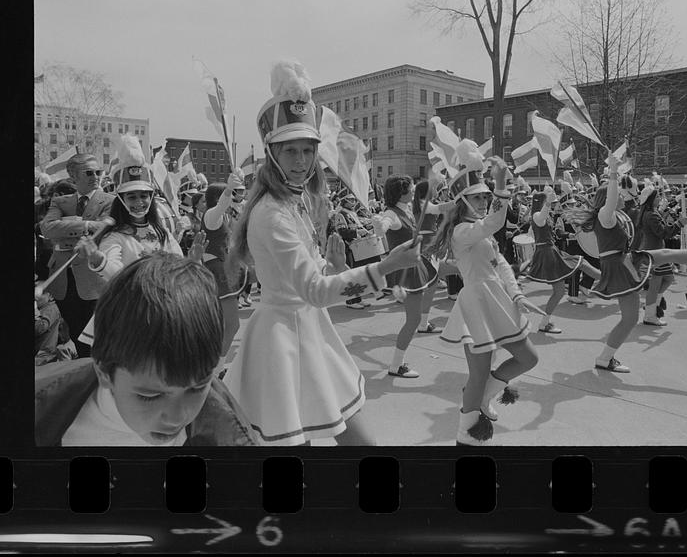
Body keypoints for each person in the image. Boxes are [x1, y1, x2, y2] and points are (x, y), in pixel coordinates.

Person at [223, 60, 421, 446]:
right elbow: (313, 291)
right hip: (283, 340)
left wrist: (332, 267)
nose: (300, 161)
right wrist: (386, 266)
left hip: (309, 331)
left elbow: (311, 280)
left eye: (307, 150)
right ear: (272, 154)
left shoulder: (294, 202)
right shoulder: (272, 213)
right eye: (290, 151)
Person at [35, 253, 259, 446]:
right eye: (150, 396)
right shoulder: (41, 410)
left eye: (197, 388)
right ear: (104, 372)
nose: (177, 417)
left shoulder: (229, 432)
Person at [430, 148, 542, 445]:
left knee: (528, 358)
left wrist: (517, 295)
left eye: (485, 196)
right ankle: (466, 435)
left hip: (498, 299)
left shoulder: (479, 231)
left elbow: (501, 262)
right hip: (476, 304)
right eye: (478, 197)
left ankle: (481, 399)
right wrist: (502, 186)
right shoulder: (460, 232)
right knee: (477, 375)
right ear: (463, 201)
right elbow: (493, 223)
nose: (484, 200)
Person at [73, 135, 206, 346]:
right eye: (132, 197)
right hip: (132, 312)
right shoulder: (115, 236)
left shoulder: (161, 231)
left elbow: (176, 268)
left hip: (164, 308)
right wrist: (98, 258)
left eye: (144, 196)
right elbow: (118, 273)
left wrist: (192, 261)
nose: (139, 202)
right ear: (122, 200)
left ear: (151, 197)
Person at [564, 153, 653, 373]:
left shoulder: (611, 216)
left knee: (664, 256)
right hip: (618, 265)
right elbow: (612, 199)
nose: (622, 196)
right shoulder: (606, 215)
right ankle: (604, 358)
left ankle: (605, 358)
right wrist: (613, 172)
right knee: (629, 319)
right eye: (619, 194)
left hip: (621, 262)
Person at [40, 153, 116, 358]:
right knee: (76, 335)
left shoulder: (110, 201)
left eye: (98, 172)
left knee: (97, 340)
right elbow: (47, 229)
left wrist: (65, 228)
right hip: (63, 283)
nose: (96, 177)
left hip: (94, 283)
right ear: (73, 176)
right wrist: (86, 225)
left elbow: (104, 230)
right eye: (89, 173)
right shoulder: (60, 201)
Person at [372, 176, 446, 378]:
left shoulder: (406, 209)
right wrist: (380, 225)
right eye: (410, 189)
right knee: (412, 320)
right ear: (400, 191)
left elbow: (440, 208)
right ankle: (396, 365)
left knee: (415, 316)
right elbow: (385, 225)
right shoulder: (392, 213)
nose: (414, 192)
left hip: (415, 264)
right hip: (406, 271)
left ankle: (399, 361)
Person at [521, 186, 598, 334]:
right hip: (547, 253)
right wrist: (548, 204)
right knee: (566, 282)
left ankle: (544, 323)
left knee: (564, 285)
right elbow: (541, 217)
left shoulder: (545, 215)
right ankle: (612, 279)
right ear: (542, 202)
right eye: (548, 202)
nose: (554, 204)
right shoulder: (538, 215)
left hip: (552, 251)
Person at [193, 176, 247, 353]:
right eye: (229, 194)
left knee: (222, 324)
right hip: (216, 269)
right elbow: (222, 205)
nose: (232, 198)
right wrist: (228, 190)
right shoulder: (211, 215)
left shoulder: (222, 216)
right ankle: (216, 367)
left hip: (223, 267)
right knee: (231, 325)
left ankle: (214, 365)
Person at [635, 183, 684, 326]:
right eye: (657, 196)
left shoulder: (649, 213)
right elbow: (663, 233)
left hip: (655, 251)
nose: (659, 198)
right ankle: (650, 314)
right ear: (651, 200)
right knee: (655, 285)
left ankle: (652, 305)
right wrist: (679, 224)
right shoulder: (650, 215)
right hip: (655, 253)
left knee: (668, 279)